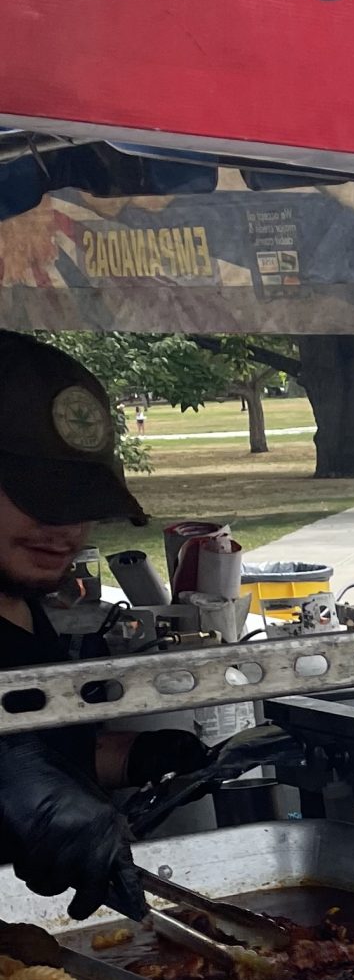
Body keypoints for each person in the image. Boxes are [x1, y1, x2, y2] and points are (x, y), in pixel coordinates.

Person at [0, 334, 206, 915]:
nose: (67, 530)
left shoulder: (17, 598)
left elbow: (42, 757)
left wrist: (134, 756)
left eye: (78, 502)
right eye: (40, 498)